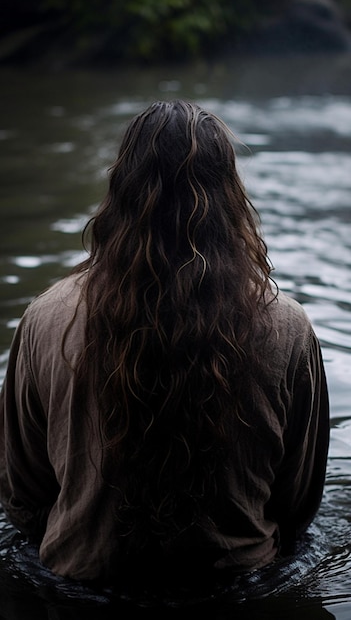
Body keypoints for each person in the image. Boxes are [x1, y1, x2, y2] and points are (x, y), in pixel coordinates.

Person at [0, 100, 329, 599]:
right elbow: (298, 503)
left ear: (121, 190)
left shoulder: (47, 317)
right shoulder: (287, 327)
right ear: (229, 195)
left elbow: (22, 495)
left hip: (80, 589)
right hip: (237, 591)